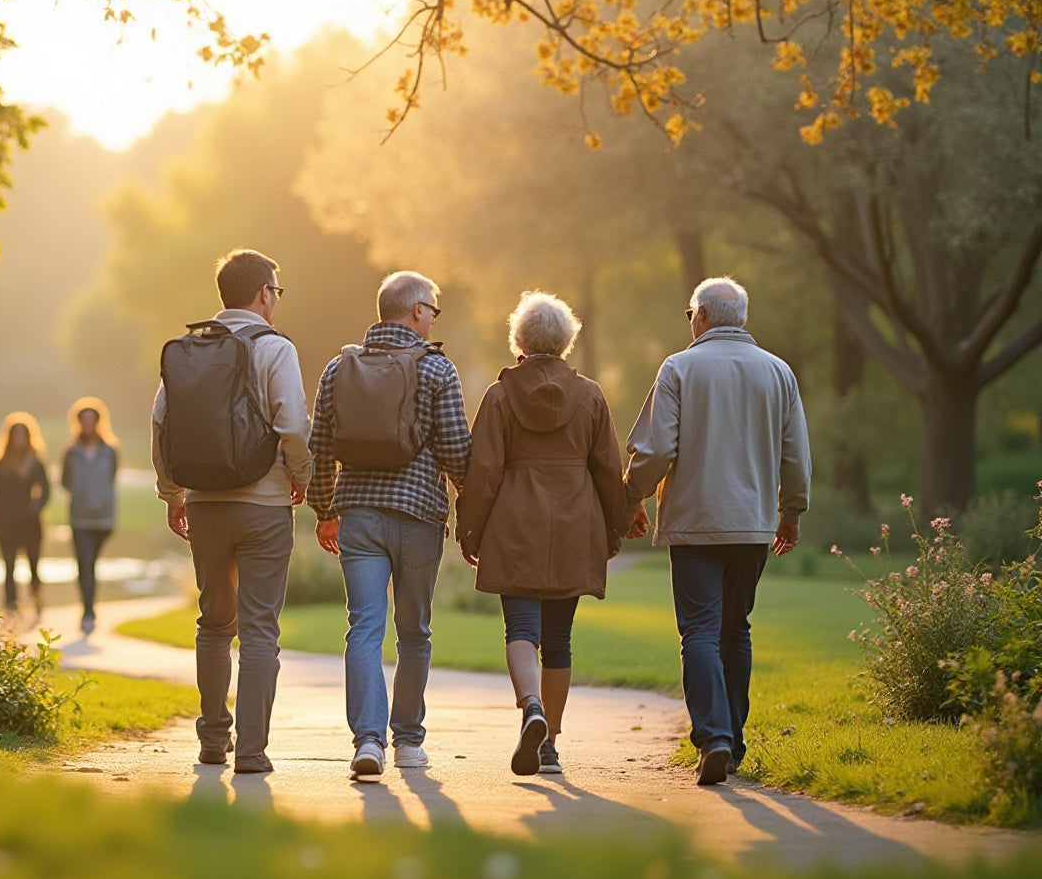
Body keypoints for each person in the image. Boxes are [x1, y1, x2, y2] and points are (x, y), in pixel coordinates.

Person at [623, 276, 811, 786]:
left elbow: (657, 450)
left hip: (694, 523)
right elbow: (795, 456)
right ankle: (734, 739)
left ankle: (715, 738)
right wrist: (790, 512)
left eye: (690, 315)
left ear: (701, 316)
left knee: (700, 631)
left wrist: (632, 495)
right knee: (736, 629)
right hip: (752, 524)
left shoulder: (679, 368)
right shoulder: (778, 372)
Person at [150, 248, 312, 774]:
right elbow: (292, 424)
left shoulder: (190, 348)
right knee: (261, 629)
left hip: (205, 508)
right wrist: (301, 476)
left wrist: (174, 495)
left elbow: (161, 425)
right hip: (263, 505)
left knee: (215, 625)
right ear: (265, 293)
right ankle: (251, 751)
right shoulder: (274, 349)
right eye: (277, 292)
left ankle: (211, 740)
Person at [309, 271, 471, 781]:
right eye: (434, 310)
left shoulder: (339, 368)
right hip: (420, 515)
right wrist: (474, 504)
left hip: (357, 514)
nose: (434, 319)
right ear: (419, 310)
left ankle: (368, 741)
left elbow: (320, 449)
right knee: (415, 633)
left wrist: (324, 510)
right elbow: (457, 455)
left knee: (364, 627)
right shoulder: (438, 370)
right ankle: (408, 743)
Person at [455, 292, 625, 777]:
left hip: (515, 523)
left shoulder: (500, 395)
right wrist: (615, 525)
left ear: (520, 340)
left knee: (521, 631)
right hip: (575, 522)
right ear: (567, 341)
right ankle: (549, 742)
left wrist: (471, 530)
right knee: (560, 637)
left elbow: (483, 470)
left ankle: (529, 704)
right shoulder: (590, 395)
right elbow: (609, 468)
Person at [60, 397, 119, 637]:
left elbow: (112, 478)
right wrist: (80, 492)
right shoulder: (71, 453)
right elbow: (64, 481)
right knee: (85, 565)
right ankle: (88, 612)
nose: (87, 426)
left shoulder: (110, 451)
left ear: (98, 422)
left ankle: (89, 608)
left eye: (91, 421)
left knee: (91, 564)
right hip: (80, 518)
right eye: (83, 421)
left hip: (104, 518)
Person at [0, 412, 51, 616]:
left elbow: (46, 491)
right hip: (6, 524)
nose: (19, 440)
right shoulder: (1, 463)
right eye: (15, 435)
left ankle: (36, 601)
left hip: (30, 523)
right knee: (9, 568)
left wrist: (35, 508)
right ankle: (11, 606)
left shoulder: (35, 462)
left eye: (22, 435)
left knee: (34, 566)